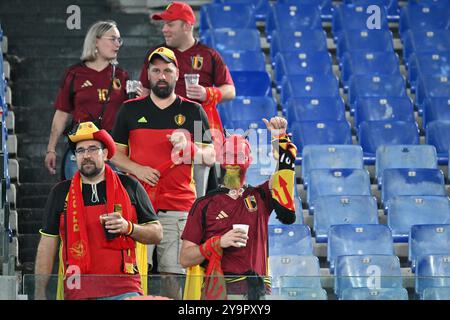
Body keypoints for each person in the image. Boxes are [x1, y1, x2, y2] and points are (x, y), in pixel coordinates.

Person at [111, 47, 216, 299]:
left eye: (167, 70)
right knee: (134, 277)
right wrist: (138, 169)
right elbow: (114, 154)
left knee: (173, 276)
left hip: (178, 206)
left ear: (177, 74)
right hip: (136, 207)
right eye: (156, 70)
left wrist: (189, 148)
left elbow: (211, 156)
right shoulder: (129, 110)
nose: (161, 75)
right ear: (148, 74)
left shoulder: (193, 111)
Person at [35, 122, 163, 300]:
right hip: (78, 288)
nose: (86, 155)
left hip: (124, 288)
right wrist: (39, 291)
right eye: (80, 151)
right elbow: (47, 244)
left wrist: (129, 228)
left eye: (93, 149)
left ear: (105, 154)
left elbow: (157, 233)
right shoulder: (60, 192)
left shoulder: (129, 185)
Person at [180, 116, 298, 300]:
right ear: (220, 158)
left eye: (240, 156)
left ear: (250, 160)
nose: (234, 161)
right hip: (220, 293)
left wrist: (280, 139)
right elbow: (185, 258)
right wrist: (218, 243)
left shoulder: (261, 196)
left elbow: (284, 174)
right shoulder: (203, 204)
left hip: (257, 294)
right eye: (228, 155)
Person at [138, 1, 236, 194]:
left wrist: (207, 93)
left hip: (199, 129)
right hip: (163, 128)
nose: (164, 29)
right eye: (163, 24)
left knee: (200, 189)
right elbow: (144, 89)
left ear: (187, 26)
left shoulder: (209, 55)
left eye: (170, 24)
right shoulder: (156, 54)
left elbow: (230, 90)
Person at [44, 20, 129, 179]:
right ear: (96, 40)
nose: (118, 44)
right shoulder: (75, 73)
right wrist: (51, 149)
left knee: (113, 200)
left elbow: (129, 115)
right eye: (113, 39)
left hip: (112, 149)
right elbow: (62, 113)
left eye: (119, 40)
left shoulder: (121, 75)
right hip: (82, 144)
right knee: (76, 197)